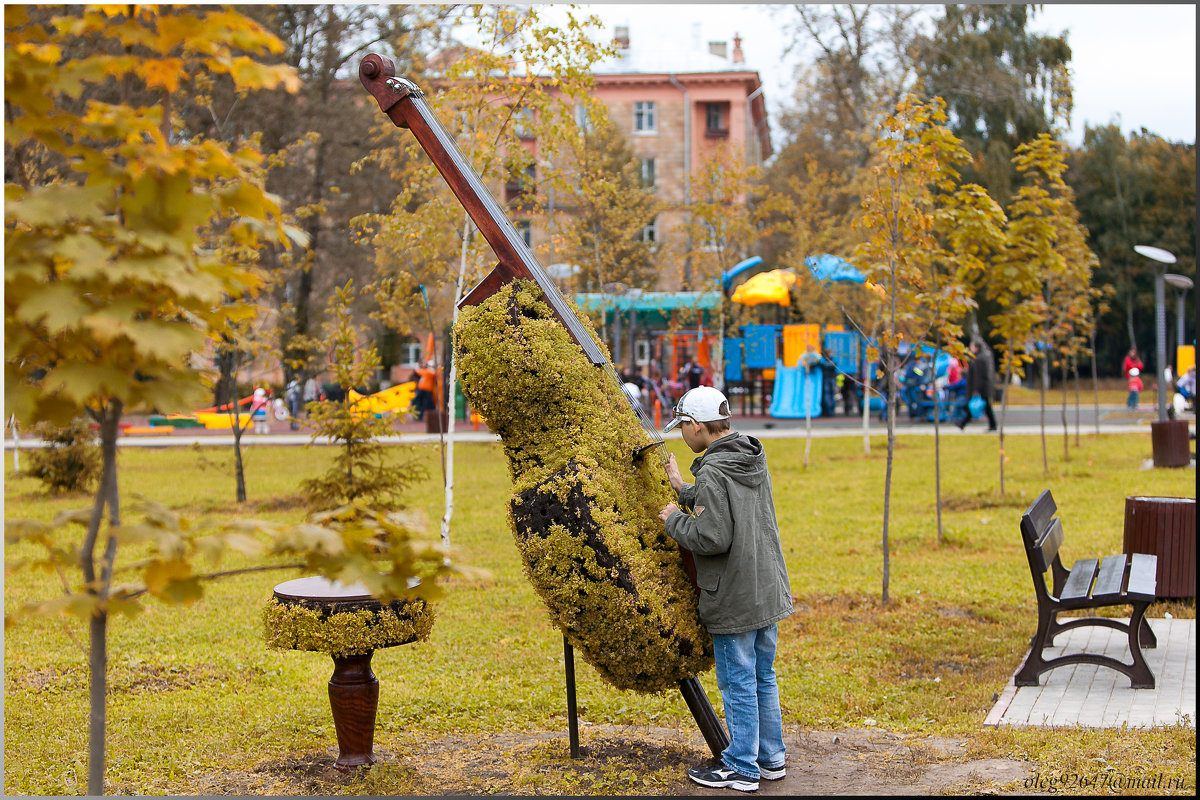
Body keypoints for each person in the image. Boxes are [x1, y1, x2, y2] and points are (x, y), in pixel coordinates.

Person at [657, 386, 794, 793]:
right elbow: (727, 501)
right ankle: (771, 759)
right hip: (764, 587)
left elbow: (712, 535)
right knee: (762, 676)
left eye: (682, 426)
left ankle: (741, 767)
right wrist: (683, 488)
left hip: (733, 594)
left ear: (698, 427)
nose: (681, 433)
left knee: (737, 681)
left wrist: (672, 519)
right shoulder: (748, 456)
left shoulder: (715, 470)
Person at [956, 338, 996, 431]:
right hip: (981, 388)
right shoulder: (978, 358)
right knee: (983, 407)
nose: (970, 348)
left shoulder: (978, 359)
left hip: (980, 389)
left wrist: (976, 389)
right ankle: (963, 423)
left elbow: (978, 376)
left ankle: (963, 423)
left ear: (976, 348)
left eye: (972, 346)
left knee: (980, 406)